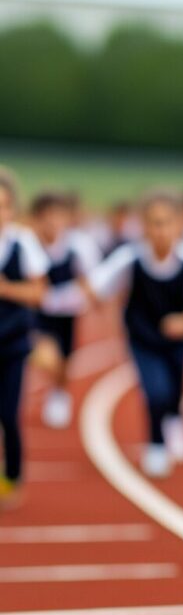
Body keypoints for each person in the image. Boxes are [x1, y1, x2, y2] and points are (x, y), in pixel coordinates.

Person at [45, 190, 183, 478]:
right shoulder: (130, 259)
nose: (161, 230)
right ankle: (156, 444)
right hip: (142, 338)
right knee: (155, 391)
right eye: (154, 222)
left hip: (177, 340)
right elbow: (96, 286)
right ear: (143, 226)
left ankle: (175, 419)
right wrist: (64, 293)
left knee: (176, 386)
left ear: (179, 225)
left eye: (167, 222)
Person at [30, 191, 101, 428]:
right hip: (37, 312)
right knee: (45, 355)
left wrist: (82, 296)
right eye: (47, 216)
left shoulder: (78, 245)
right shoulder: (30, 244)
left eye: (57, 216)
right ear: (38, 218)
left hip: (67, 312)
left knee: (64, 361)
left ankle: (59, 394)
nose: (52, 222)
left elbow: (92, 280)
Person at [0, 168, 48, 509]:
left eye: (3, 205)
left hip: (12, 342)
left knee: (7, 412)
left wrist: (5, 289)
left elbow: (38, 293)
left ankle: (13, 476)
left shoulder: (23, 243)